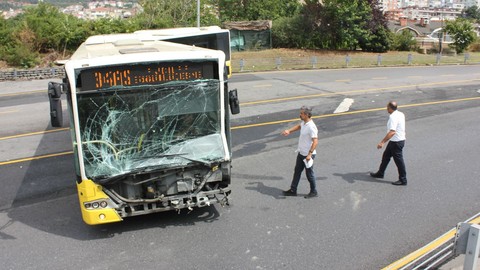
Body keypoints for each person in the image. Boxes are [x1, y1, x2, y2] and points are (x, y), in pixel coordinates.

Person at [282, 106, 319, 198]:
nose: (300, 114)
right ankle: (293, 190)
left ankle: (314, 191)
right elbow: (299, 126)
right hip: (301, 153)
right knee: (297, 171)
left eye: (301, 113)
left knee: (309, 174)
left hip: (307, 155)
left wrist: (310, 154)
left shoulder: (311, 127)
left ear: (307, 115)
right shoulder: (304, 122)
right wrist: (289, 131)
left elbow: (315, 141)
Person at [370, 101, 407, 186]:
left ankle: (403, 179)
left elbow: (392, 132)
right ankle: (380, 173)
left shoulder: (393, 117)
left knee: (399, 161)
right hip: (396, 141)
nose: (387, 109)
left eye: (387, 107)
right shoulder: (401, 114)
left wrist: (382, 142)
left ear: (390, 108)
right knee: (386, 156)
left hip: (396, 142)